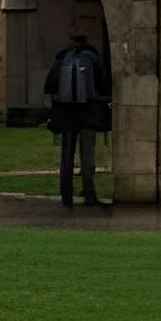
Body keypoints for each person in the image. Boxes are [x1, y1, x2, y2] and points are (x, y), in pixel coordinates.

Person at [44, 28, 111, 210]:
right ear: (86, 41)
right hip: (87, 112)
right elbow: (103, 86)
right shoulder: (92, 58)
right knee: (87, 156)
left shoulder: (61, 59)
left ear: (71, 41)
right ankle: (90, 195)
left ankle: (66, 196)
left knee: (67, 156)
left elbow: (49, 86)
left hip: (66, 114)